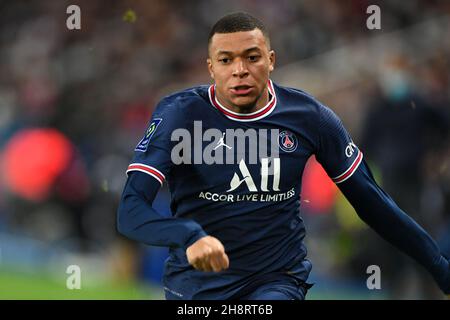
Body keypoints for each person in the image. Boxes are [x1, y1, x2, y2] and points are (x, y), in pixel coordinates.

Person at [117, 12, 450, 300]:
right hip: (195, 287)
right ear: (211, 67)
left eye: (252, 57)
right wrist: (188, 235)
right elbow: (130, 211)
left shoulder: (310, 117)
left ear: (271, 60)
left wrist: (438, 265)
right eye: (226, 60)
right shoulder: (179, 115)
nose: (239, 70)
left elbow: (373, 203)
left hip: (276, 281)